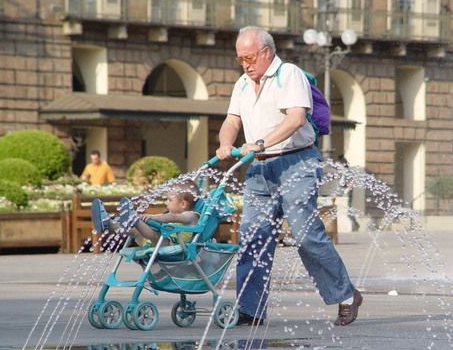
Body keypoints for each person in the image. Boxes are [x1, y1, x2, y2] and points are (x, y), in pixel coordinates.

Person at [216, 26, 362, 327]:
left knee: (306, 235)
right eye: (240, 58)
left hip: (296, 163)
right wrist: (224, 144)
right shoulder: (242, 83)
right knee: (253, 239)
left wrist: (260, 142)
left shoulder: (289, 75)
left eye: (250, 57)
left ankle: (346, 295)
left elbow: (295, 118)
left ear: (267, 52)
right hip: (258, 169)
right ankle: (251, 309)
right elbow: (232, 120)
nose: (245, 64)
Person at [91, 182, 201, 246]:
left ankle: (133, 219)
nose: (166, 202)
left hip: (173, 244)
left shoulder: (191, 216)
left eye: (169, 199)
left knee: (154, 233)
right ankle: (109, 223)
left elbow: (173, 217)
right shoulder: (168, 213)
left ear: (183, 204)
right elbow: (168, 217)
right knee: (135, 231)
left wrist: (153, 217)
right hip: (160, 238)